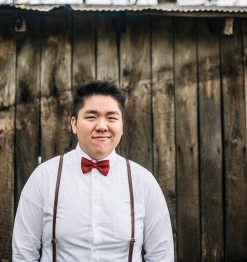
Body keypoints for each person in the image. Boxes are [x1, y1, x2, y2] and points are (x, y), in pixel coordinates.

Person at [12, 81, 174, 261]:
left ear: (121, 125)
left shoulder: (143, 181)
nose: (102, 126)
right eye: (91, 117)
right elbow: (24, 253)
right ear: (74, 124)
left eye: (111, 118)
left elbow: (161, 254)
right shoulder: (43, 177)